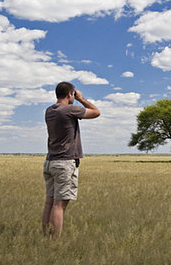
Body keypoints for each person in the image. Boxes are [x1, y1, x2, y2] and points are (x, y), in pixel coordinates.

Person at [41, 81, 100, 238]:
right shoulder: (69, 110)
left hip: (50, 161)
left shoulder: (49, 110)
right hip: (65, 162)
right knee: (59, 205)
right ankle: (54, 242)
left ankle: (46, 238)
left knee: (49, 202)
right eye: (73, 94)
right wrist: (81, 99)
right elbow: (96, 112)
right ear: (70, 94)